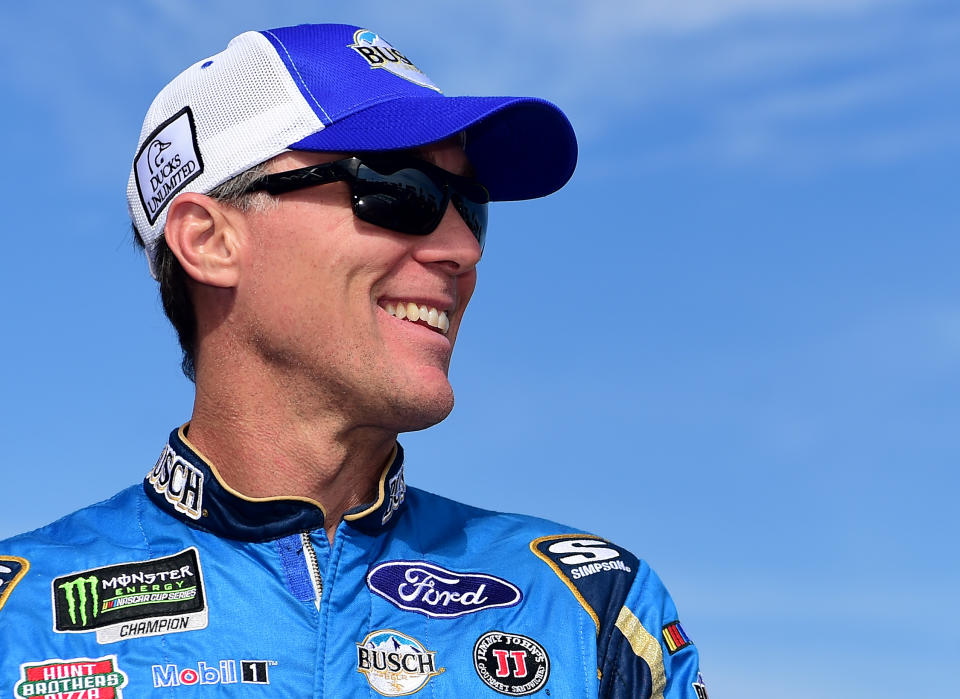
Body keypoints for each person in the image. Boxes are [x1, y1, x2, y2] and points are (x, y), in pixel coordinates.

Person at [0, 23, 706, 698]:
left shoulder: (591, 610)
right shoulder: (18, 620)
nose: (463, 248)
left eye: (473, 206)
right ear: (210, 241)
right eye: (401, 189)